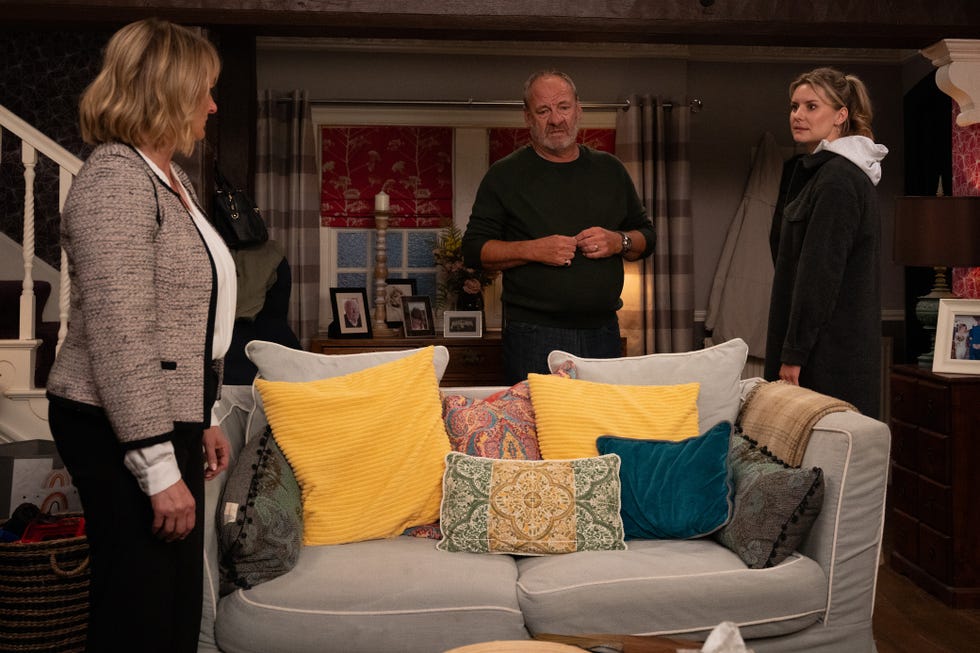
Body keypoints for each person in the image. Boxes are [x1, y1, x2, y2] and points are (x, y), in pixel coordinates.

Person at [44, 19, 233, 652]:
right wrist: (155, 465)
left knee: (172, 607)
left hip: (162, 413)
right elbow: (122, 334)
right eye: (205, 89)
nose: (212, 105)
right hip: (117, 422)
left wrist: (203, 414)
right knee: (141, 614)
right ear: (168, 91)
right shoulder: (115, 180)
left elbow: (185, 321)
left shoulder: (168, 177)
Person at [462, 70, 656, 384]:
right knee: (537, 418)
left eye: (563, 107)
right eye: (543, 111)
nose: (556, 119)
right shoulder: (504, 175)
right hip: (532, 335)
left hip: (603, 331)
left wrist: (617, 241)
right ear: (528, 118)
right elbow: (474, 250)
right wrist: (534, 250)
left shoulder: (610, 170)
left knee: (601, 416)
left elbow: (647, 237)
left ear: (578, 110)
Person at [764, 67, 889, 417]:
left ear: (840, 115)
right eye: (794, 106)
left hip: (826, 357)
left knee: (824, 447)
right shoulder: (822, 174)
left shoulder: (838, 180)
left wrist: (794, 354)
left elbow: (819, 274)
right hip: (823, 349)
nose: (798, 115)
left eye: (811, 106)